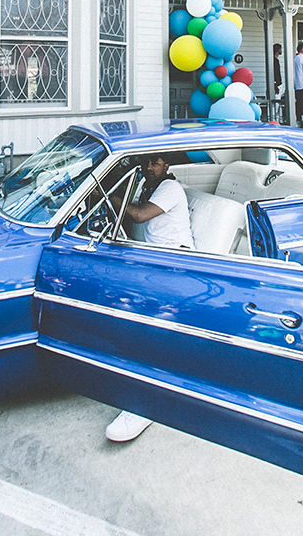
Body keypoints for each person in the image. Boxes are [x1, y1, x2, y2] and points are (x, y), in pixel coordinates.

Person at [106, 152, 193, 444]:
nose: (149, 168)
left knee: (147, 322)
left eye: (155, 163)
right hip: (156, 258)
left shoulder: (169, 188)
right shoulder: (148, 185)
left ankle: (147, 398)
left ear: (166, 165)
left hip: (177, 260)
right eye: (146, 163)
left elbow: (139, 215)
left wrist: (108, 194)